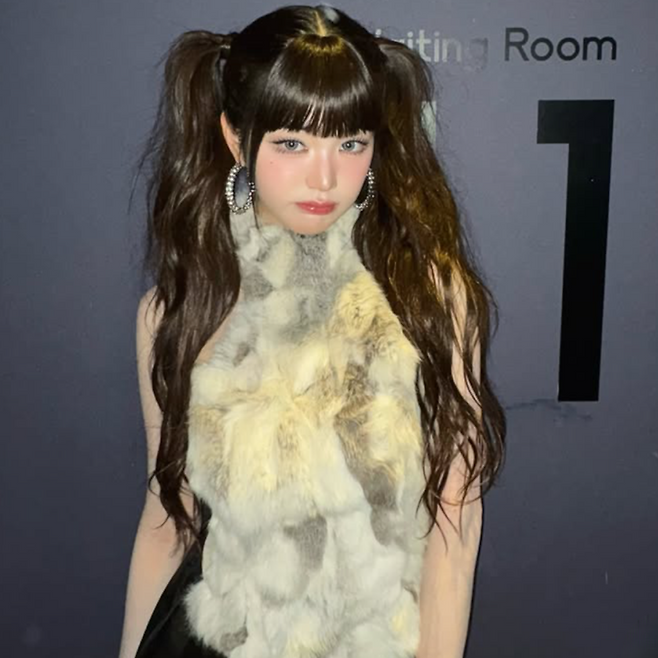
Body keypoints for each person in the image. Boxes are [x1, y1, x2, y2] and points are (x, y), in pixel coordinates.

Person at [118, 5, 506, 658]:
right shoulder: (177, 311)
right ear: (236, 139)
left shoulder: (430, 300)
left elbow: (454, 524)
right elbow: (167, 521)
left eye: (350, 143)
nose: (325, 178)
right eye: (292, 143)